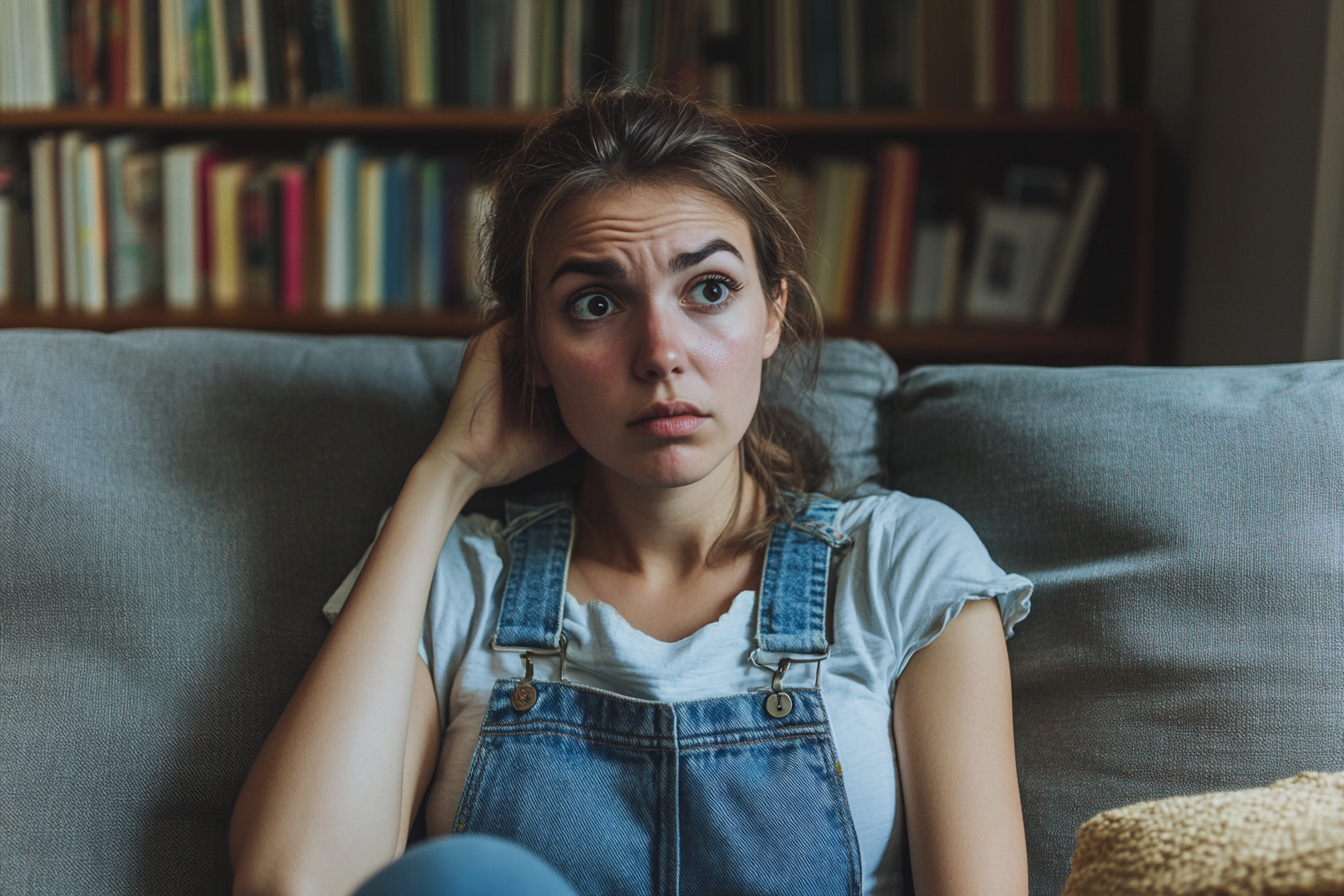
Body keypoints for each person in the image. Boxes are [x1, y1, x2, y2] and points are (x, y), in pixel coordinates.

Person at [229, 89, 1032, 896]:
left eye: (709, 290)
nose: (660, 353)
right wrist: (445, 476)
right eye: (596, 304)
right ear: (530, 350)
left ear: (772, 313)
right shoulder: (457, 580)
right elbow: (294, 880)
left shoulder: (904, 565)